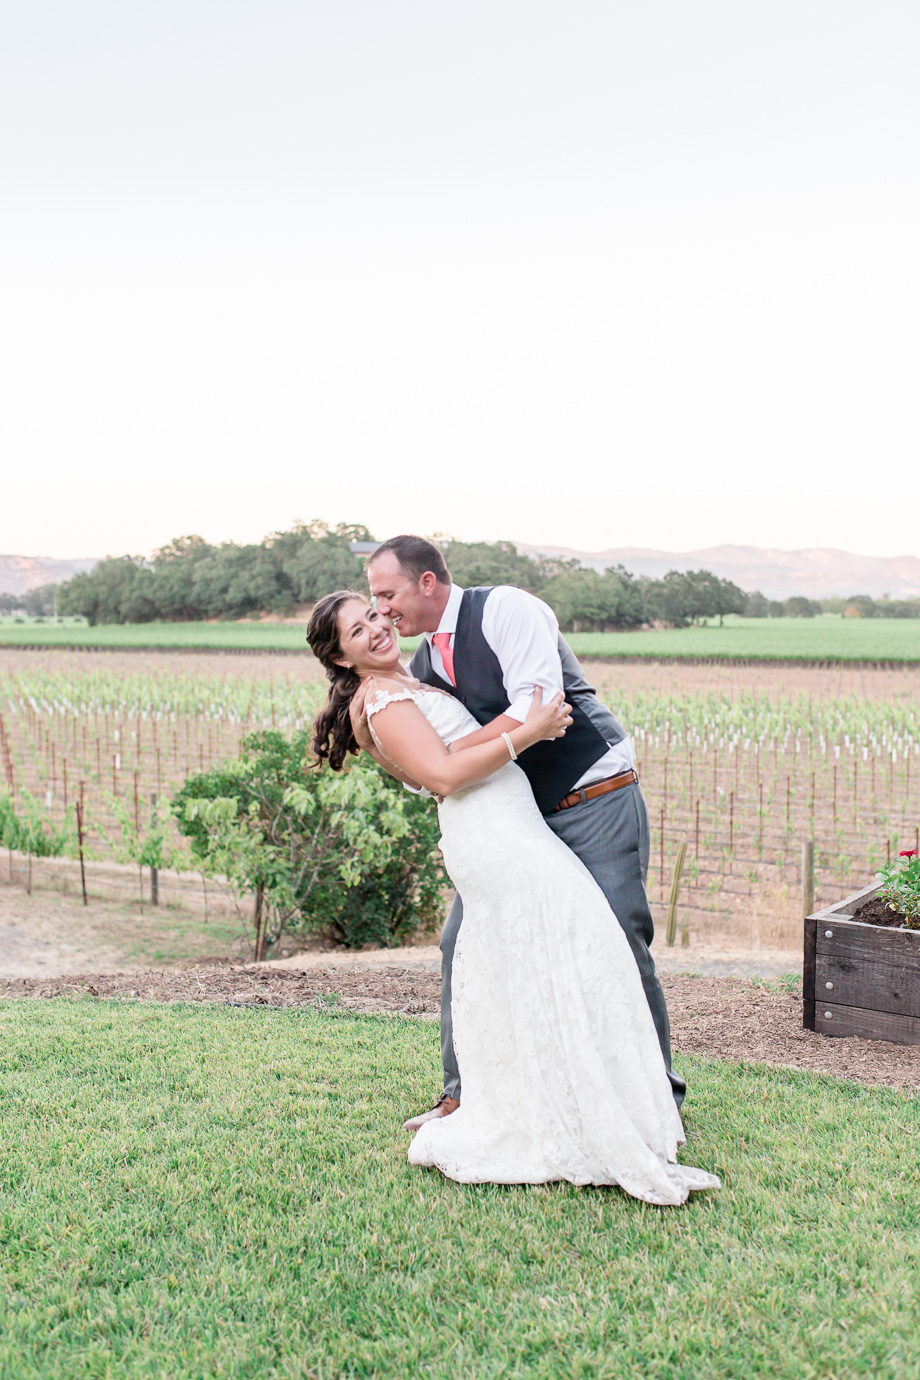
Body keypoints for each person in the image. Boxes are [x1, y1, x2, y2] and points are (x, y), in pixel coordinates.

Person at [307, 589, 719, 1203]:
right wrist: (530, 733)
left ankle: (605, 1095)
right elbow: (441, 776)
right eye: (357, 630)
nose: (376, 627)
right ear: (340, 658)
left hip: (508, 827)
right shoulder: (384, 696)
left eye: (373, 613)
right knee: (576, 941)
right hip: (499, 838)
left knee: (556, 952)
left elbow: (438, 768)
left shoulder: (409, 681)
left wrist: (507, 742)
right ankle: (558, 1104)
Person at [354, 536, 685, 1132]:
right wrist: (431, 762)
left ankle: (657, 1096)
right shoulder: (425, 666)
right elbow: (432, 770)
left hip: (593, 797)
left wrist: (446, 757)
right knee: (464, 943)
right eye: (374, 602)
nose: (383, 611)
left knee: (617, 940)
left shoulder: (506, 609)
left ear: (426, 582)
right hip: (517, 824)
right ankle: (462, 1095)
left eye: (387, 594)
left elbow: (541, 709)